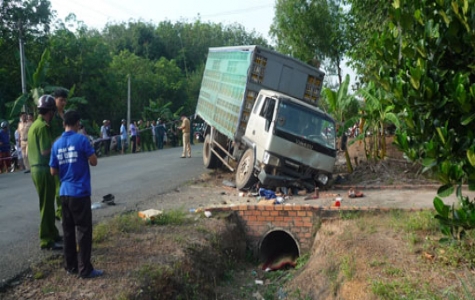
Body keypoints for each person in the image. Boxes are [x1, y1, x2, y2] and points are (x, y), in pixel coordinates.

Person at [50, 110, 103, 279]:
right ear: (77, 123)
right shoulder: (81, 139)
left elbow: (53, 171)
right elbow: (94, 161)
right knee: (84, 231)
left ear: (64, 123)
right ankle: (85, 269)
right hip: (79, 192)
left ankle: (70, 265)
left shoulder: (56, 144)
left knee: (68, 231)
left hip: (64, 193)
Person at [28, 95, 63, 250]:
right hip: (42, 168)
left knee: (48, 203)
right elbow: (44, 151)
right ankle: (45, 239)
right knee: (47, 205)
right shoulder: (42, 127)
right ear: (50, 112)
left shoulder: (35, 124)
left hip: (38, 169)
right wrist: (57, 142)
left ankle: (53, 233)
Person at [51, 88, 68, 220]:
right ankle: (60, 210)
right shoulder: (51, 116)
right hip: (56, 153)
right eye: (61, 100)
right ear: (55, 99)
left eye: (64, 100)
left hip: (68, 152)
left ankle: (64, 208)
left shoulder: (66, 115)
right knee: (59, 184)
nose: (63, 103)